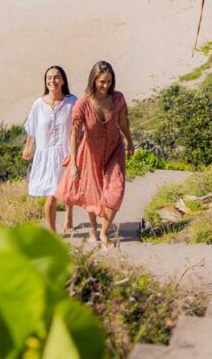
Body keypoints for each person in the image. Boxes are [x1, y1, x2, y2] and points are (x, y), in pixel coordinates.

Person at [55, 60, 134, 248]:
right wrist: (74, 162)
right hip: (91, 152)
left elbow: (123, 122)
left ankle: (104, 232)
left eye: (109, 81)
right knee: (92, 193)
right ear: (93, 80)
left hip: (115, 150)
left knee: (117, 189)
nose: (106, 86)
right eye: (102, 82)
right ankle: (92, 230)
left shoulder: (118, 98)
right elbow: (75, 134)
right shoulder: (83, 103)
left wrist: (130, 141)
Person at [22, 65, 77, 233]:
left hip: (65, 153)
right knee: (51, 195)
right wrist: (27, 148)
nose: (52, 81)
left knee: (67, 190)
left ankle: (68, 215)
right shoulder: (39, 104)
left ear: (63, 80)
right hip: (46, 155)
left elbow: (78, 128)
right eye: (49, 78)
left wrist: (74, 154)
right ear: (45, 81)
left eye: (56, 77)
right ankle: (52, 233)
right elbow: (33, 128)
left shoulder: (71, 101)